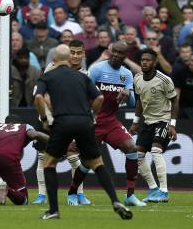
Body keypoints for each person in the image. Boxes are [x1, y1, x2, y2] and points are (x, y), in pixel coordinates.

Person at [33, 44, 132, 220]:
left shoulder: (48, 76)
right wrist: (92, 115)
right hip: (85, 122)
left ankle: (54, 210)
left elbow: (39, 97)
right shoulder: (82, 76)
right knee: (97, 164)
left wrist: (45, 119)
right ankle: (116, 201)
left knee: (49, 164)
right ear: (69, 58)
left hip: (62, 122)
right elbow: (100, 97)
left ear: (54, 60)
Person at [67, 42, 146, 207]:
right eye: (114, 52)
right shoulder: (96, 69)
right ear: (110, 52)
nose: (116, 55)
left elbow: (132, 102)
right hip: (93, 121)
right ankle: (73, 192)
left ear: (125, 56)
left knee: (132, 149)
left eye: (120, 53)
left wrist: (128, 91)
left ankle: (130, 195)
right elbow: (83, 92)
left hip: (110, 121)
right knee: (88, 161)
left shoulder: (127, 74)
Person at [34, 40, 91, 206]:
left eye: (77, 53)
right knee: (42, 157)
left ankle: (78, 193)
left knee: (74, 157)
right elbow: (39, 92)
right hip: (49, 120)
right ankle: (41, 194)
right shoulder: (52, 67)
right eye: (71, 52)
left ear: (83, 54)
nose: (74, 56)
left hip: (71, 120)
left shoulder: (85, 75)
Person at [130, 48, 178, 203]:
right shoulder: (137, 78)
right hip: (147, 121)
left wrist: (172, 125)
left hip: (163, 120)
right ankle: (153, 188)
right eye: (143, 60)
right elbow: (139, 101)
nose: (144, 62)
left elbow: (175, 101)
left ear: (155, 62)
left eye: (148, 60)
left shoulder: (164, 79)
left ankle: (164, 191)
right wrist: (136, 122)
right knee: (138, 156)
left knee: (156, 151)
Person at [0, 114, 48, 205]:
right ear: (19, 123)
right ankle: (7, 191)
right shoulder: (25, 126)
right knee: (24, 200)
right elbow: (35, 134)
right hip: (7, 157)